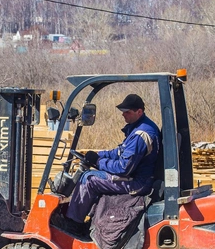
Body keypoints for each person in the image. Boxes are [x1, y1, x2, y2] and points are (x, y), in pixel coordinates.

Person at [64, 93, 161, 225]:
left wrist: (98, 162)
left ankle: (72, 223)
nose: (123, 115)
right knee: (94, 176)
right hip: (136, 176)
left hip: (138, 182)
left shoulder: (141, 134)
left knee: (89, 179)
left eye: (127, 112)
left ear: (139, 112)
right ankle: (90, 220)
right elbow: (119, 152)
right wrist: (99, 155)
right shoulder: (138, 127)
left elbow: (123, 167)